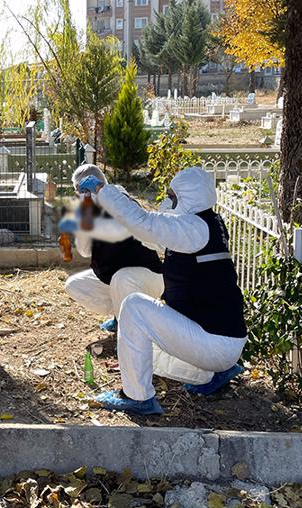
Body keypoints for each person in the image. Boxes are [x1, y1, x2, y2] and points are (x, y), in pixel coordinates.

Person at [76, 166, 247, 415]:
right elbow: (150, 236)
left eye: (172, 196)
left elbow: (144, 223)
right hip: (220, 340)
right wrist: (103, 203)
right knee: (141, 354)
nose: (167, 200)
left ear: (187, 197)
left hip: (214, 341)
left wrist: (102, 190)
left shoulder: (194, 227)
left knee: (134, 306)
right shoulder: (205, 223)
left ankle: (137, 398)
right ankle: (210, 375)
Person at [59, 165, 164, 333]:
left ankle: (131, 331)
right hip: (117, 278)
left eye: (78, 190)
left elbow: (150, 235)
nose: (78, 195)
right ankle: (120, 316)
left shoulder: (121, 200)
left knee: (121, 278)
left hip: (147, 276)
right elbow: (85, 251)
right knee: (75, 285)